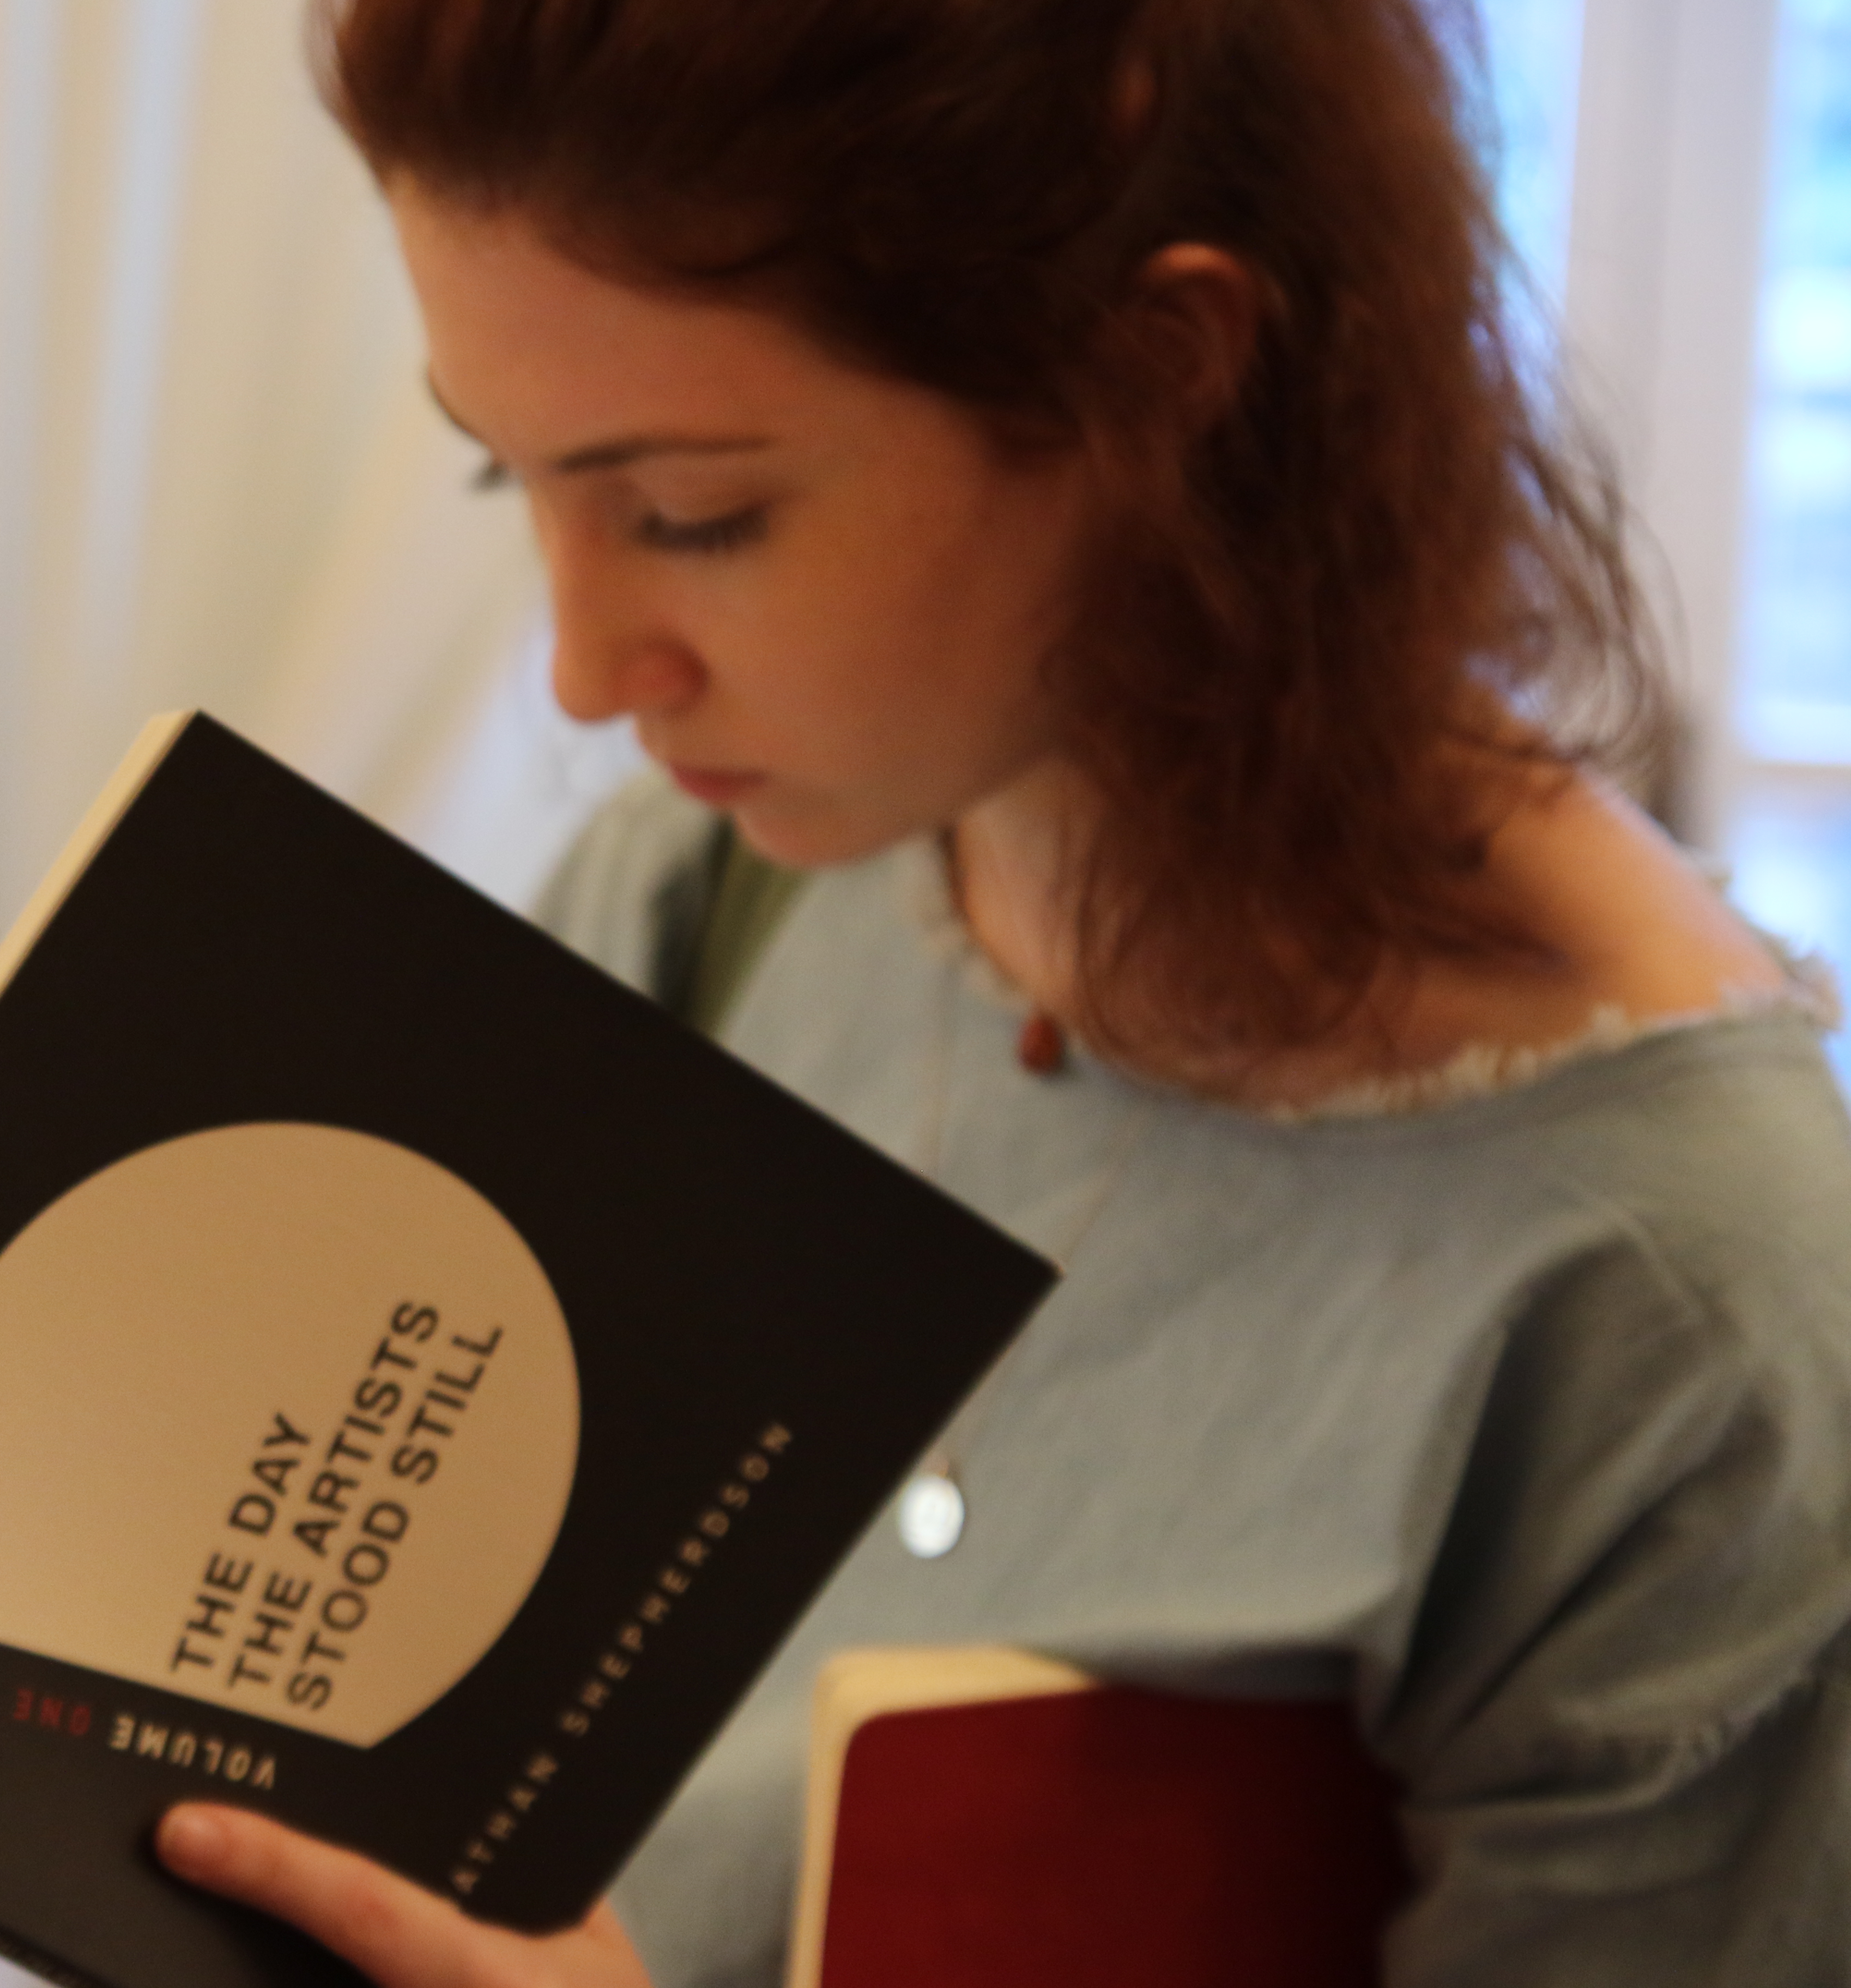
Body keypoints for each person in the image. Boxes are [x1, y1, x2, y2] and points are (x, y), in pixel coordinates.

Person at [138, 2, 1851, 1984]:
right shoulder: (704, 901)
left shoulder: (1678, 1299)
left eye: (694, 513)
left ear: (1161, 368)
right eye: (500, 482)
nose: (587, 671)